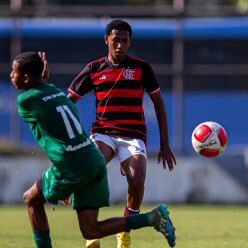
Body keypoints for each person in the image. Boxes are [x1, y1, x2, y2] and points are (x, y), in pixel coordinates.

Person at [10, 51, 176, 248]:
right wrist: (44, 84)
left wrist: (68, 181)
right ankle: (151, 218)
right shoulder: (55, 92)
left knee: (31, 199)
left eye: (14, 71)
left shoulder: (26, 101)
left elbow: (43, 118)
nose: (11, 75)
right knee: (91, 230)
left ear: (26, 77)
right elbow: (53, 106)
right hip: (93, 159)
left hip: (72, 165)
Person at [66, 19, 177, 248]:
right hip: (103, 132)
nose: (120, 45)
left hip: (133, 134)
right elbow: (68, 103)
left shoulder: (141, 68)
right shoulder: (94, 69)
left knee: (137, 181)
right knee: (92, 168)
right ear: (106, 40)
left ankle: (124, 231)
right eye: (115, 40)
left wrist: (165, 145)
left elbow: (159, 103)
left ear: (130, 42)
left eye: (125, 41)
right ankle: (91, 233)